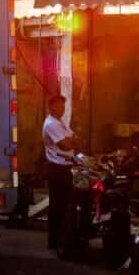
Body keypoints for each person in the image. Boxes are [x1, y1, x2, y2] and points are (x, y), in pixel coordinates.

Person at [42, 95, 79, 250]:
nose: (62, 110)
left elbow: (76, 138)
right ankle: (55, 241)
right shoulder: (51, 124)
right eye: (59, 106)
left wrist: (72, 140)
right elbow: (65, 145)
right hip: (58, 170)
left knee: (65, 206)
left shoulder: (60, 123)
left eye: (64, 107)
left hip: (65, 168)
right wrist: (71, 140)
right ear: (51, 107)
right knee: (58, 206)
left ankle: (62, 238)